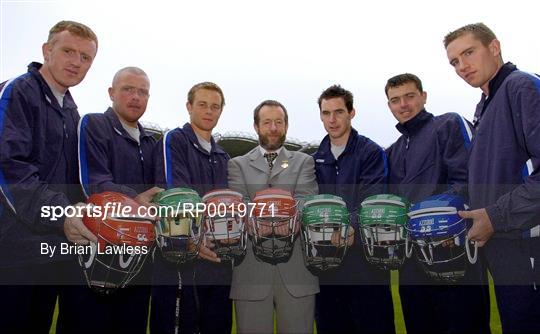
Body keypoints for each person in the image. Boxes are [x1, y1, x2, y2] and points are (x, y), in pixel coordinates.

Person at [0, 21, 98, 333]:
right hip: (12, 250)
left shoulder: (71, 110)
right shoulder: (17, 92)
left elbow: (76, 180)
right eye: (69, 51)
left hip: (53, 249)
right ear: (47, 50)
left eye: (86, 58)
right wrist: (60, 214)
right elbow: (10, 169)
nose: (76, 62)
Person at [445, 23, 540, 333]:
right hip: (501, 242)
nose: (462, 66)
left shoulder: (521, 86)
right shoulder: (484, 105)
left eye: (468, 53)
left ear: (494, 47)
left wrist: (495, 216)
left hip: (528, 242)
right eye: (454, 61)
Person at [384, 73, 490, 333]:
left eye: (409, 96)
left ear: (423, 96)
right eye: (395, 100)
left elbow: (471, 179)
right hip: (412, 261)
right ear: (389, 106)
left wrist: (440, 220)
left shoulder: (449, 124)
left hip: (453, 251)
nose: (403, 105)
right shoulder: (393, 151)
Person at [70, 66, 161, 333]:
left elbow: (158, 192)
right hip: (97, 252)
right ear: (111, 93)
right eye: (128, 90)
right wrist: (137, 200)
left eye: (142, 92)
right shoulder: (94, 124)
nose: (136, 97)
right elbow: (94, 184)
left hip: (140, 257)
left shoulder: (151, 142)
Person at [227, 100, 319, 334]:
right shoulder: (236, 164)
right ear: (256, 127)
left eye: (279, 122)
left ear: (286, 125)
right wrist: (281, 215)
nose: (273, 128)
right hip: (251, 273)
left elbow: (304, 203)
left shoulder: (303, 161)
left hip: (297, 273)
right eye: (267, 122)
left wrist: (262, 215)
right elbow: (240, 207)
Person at [312, 85, 394, 334]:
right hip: (326, 263)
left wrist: (348, 227)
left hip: (365, 261)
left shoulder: (370, 152)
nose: (332, 119)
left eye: (338, 112)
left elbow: (373, 199)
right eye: (326, 113)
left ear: (351, 113)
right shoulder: (315, 158)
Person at [152, 82, 231, 334]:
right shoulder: (174, 140)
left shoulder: (222, 156)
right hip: (181, 259)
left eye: (215, 106)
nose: (209, 111)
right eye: (202, 104)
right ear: (189, 107)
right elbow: (176, 196)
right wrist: (196, 240)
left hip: (218, 260)